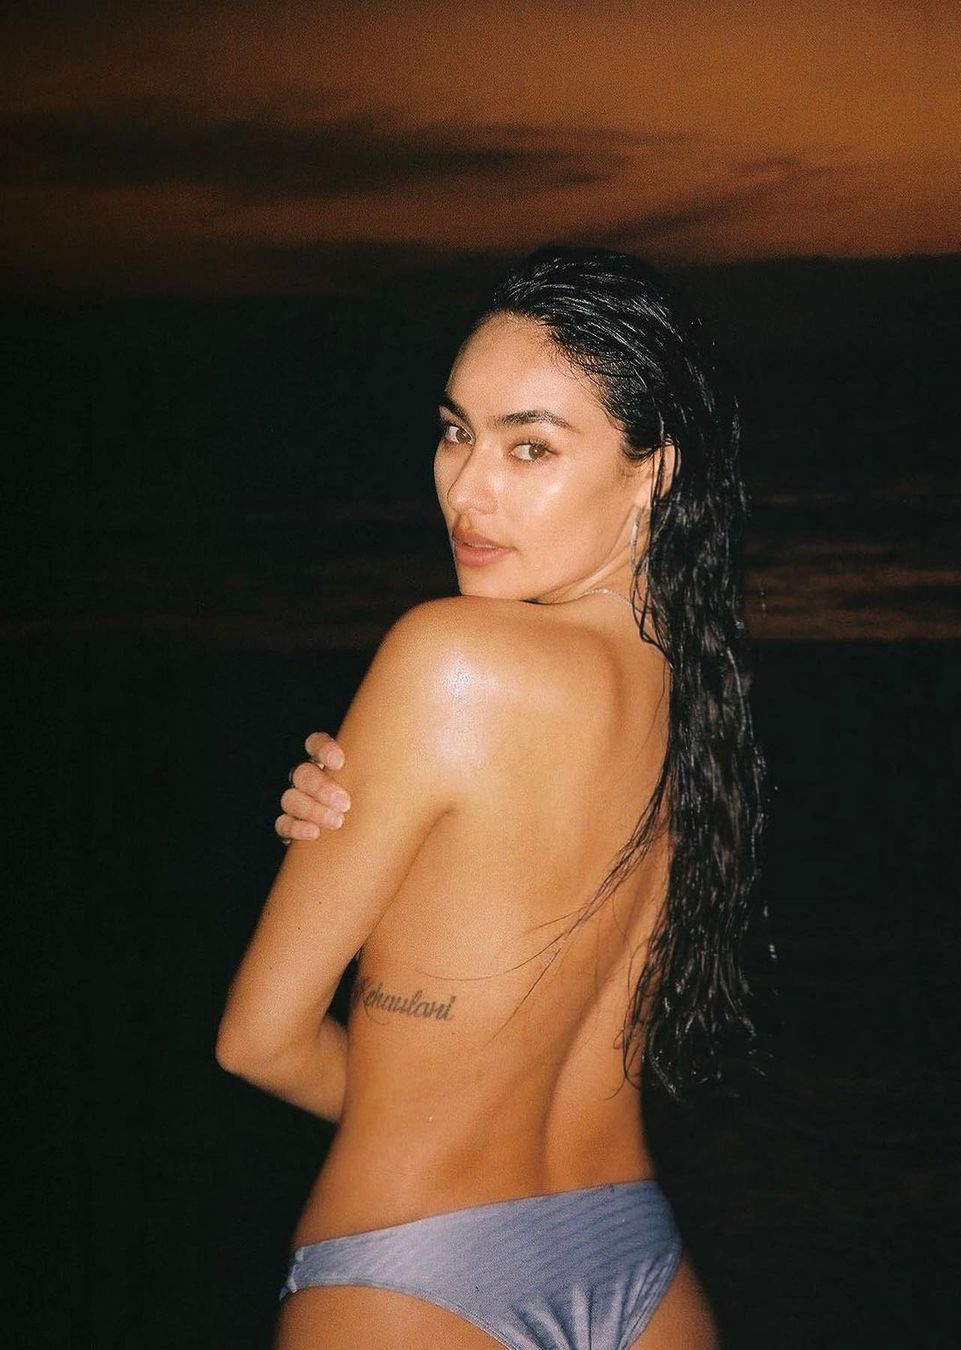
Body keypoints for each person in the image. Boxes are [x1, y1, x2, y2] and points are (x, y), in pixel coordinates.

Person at [216, 244, 768, 1350]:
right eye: (456, 431)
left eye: (531, 446)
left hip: (416, 1267)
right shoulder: (697, 690)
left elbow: (259, 1043)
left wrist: (426, 1121)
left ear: (653, 471)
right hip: (634, 1258)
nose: (467, 489)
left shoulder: (451, 658)